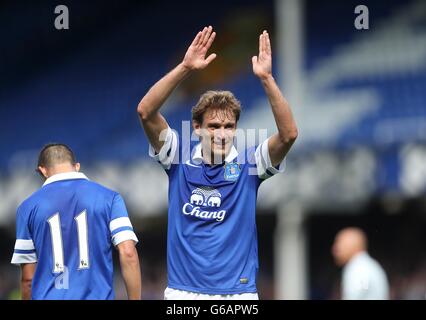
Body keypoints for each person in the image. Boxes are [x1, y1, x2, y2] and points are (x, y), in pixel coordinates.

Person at [137, 26, 298, 299]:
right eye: (214, 126)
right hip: (183, 294)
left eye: (228, 126)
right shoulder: (177, 157)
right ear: (197, 128)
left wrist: (267, 79)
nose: (222, 134)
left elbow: (289, 134)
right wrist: (185, 68)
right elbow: (146, 111)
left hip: (237, 294)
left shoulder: (250, 164)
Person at [10, 143, 141, 300]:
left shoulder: (27, 208)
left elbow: (28, 280)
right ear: (77, 166)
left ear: (42, 170)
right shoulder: (110, 198)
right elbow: (128, 253)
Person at [332, 227, 389, 300]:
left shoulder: (359, 268)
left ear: (353, 245)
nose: (334, 249)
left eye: (339, 243)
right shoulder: (364, 265)